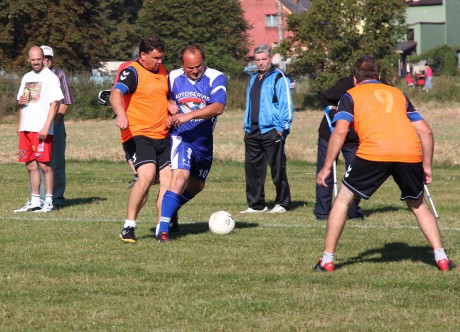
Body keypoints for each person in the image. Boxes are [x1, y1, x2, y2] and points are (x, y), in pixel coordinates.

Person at [314, 55, 455, 272]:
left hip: (374, 153)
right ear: (378, 77)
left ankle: (327, 260)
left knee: (342, 202)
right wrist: (426, 165)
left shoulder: (350, 95)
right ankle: (442, 258)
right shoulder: (398, 93)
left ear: (354, 79)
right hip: (408, 153)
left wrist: (325, 168)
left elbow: (341, 130)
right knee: (418, 205)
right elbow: (426, 131)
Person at [155, 44, 227, 243]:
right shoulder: (173, 77)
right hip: (181, 137)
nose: (195, 71)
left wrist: (188, 116)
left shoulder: (216, 77)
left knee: (197, 185)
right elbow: (163, 97)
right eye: (190, 67)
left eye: (198, 66)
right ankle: (162, 230)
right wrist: (170, 106)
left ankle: (172, 208)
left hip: (203, 141)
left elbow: (218, 107)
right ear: (182, 65)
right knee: (179, 177)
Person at [110, 35, 173, 244]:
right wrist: (121, 114)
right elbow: (115, 94)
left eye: (162, 57)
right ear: (143, 55)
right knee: (146, 176)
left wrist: (171, 104)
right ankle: (129, 227)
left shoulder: (162, 71)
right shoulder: (132, 72)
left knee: (168, 181)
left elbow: (164, 95)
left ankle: (161, 229)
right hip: (138, 134)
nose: (160, 62)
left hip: (163, 135)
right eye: (156, 58)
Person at [240, 44, 294, 214]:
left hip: (272, 130)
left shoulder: (279, 78)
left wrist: (280, 129)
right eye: (258, 60)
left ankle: (282, 203)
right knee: (253, 169)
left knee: (277, 168)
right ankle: (256, 205)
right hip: (253, 131)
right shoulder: (253, 78)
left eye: (264, 59)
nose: (261, 63)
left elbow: (286, 105)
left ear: (270, 58)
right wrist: (247, 126)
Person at [14, 46, 64, 213]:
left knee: (45, 166)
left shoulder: (51, 77)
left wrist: (46, 127)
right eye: (33, 59)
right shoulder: (26, 77)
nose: (36, 62)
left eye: (38, 59)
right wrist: (19, 124)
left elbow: (55, 104)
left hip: (41, 129)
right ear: (28, 59)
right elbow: (21, 103)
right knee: (30, 165)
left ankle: (49, 201)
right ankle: (35, 201)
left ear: (43, 59)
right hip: (26, 128)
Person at [314, 76, 365, 221]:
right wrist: (332, 112)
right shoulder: (346, 84)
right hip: (330, 133)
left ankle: (352, 210)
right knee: (326, 171)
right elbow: (326, 98)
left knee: (355, 172)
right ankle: (323, 212)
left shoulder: (377, 88)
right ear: (356, 78)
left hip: (354, 137)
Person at [39, 45, 74, 208]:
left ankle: (57, 197)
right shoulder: (32, 76)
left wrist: (57, 120)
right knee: (38, 161)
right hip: (37, 124)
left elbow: (66, 100)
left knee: (57, 161)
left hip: (55, 124)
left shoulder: (59, 74)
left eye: (48, 58)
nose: (46, 60)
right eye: (43, 57)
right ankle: (38, 197)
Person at [112, 46, 139, 188]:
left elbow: (116, 88)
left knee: (128, 143)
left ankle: (137, 173)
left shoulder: (125, 66)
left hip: (127, 111)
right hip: (141, 112)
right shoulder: (157, 69)